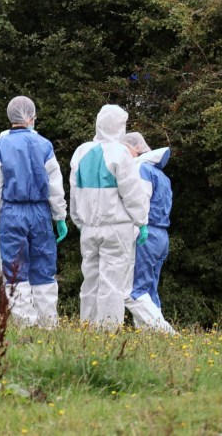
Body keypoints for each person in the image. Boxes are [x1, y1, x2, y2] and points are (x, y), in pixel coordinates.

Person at [0, 96, 68, 328]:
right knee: (44, 268)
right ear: (30, 118)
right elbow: (55, 185)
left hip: (11, 213)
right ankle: (48, 325)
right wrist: (59, 216)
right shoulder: (44, 145)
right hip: (40, 214)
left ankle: (25, 324)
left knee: (15, 270)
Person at [69, 105, 149, 328]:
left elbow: (74, 192)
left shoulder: (82, 151)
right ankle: (107, 332)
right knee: (112, 283)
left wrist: (78, 220)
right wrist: (142, 221)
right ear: (119, 126)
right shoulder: (120, 152)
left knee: (91, 280)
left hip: (89, 227)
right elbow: (132, 193)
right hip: (117, 227)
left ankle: (87, 328)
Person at [121, 132, 176, 334]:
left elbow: (140, 203)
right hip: (161, 235)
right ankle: (149, 338)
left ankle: (166, 333)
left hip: (146, 233)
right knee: (150, 289)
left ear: (134, 148)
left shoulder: (140, 168)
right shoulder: (161, 175)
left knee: (135, 290)